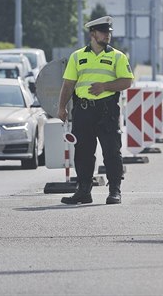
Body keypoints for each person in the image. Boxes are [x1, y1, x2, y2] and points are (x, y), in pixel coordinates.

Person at [57, 16, 134, 205]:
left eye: (109, 32)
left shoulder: (117, 56)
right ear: (93, 34)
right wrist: (61, 107)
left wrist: (105, 86)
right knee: (83, 152)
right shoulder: (77, 56)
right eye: (103, 32)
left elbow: (127, 81)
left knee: (111, 151)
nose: (107, 36)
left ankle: (114, 190)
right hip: (83, 110)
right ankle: (84, 191)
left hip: (107, 110)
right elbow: (68, 85)